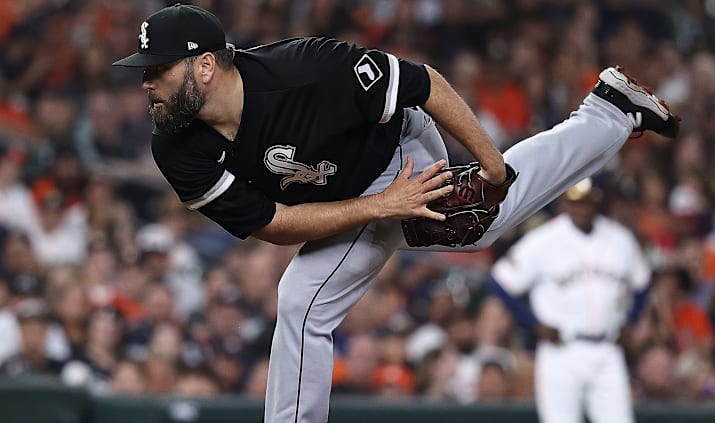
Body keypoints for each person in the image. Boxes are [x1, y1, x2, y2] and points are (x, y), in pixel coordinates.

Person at [112, 4, 679, 422]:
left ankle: (606, 114)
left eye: (157, 68)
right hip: (346, 199)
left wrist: (492, 168)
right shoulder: (175, 144)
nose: (145, 81)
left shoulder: (309, 69)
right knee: (300, 300)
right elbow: (271, 224)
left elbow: (425, 84)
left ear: (204, 66)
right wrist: (380, 208)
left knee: (475, 224)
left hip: (397, 149)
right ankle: (608, 113)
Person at [488, 178, 651, 423]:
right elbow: (500, 280)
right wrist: (533, 323)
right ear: (565, 203)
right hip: (561, 350)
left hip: (609, 349)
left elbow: (642, 283)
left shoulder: (620, 239)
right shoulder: (544, 239)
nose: (582, 209)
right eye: (576, 202)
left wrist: (632, 321)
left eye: (587, 202)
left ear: (598, 203)